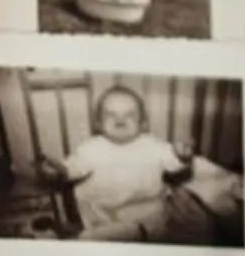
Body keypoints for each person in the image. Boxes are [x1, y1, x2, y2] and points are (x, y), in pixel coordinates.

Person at [39, 85, 193, 238]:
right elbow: (75, 166)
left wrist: (181, 156)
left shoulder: (153, 145)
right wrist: (60, 170)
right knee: (102, 235)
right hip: (104, 213)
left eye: (130, 114)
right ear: (98, 123)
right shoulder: (92, 148)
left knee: (157, 228)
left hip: (146, 209)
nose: (120, 119)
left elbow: (173, 164)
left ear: (143, 123)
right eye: (110, 114)